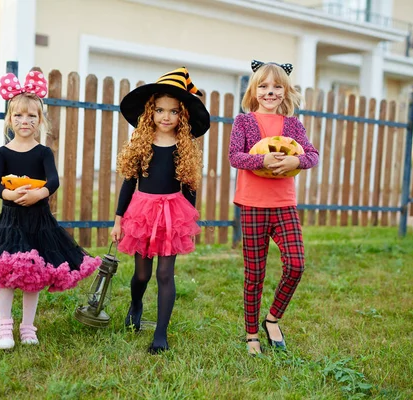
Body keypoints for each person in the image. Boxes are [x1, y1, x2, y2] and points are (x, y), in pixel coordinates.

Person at [0, 70, 101, 350]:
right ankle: (4, 324)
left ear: (40, 120)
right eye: (19, 116)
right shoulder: (3, 152)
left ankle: (28, 326)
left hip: (39, 222)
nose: (25, 121)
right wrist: (9, 193)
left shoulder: (43, 152)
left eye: (32, 116)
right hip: (10, 222)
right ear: (10, 119)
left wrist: (39, 193)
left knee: (34, 276)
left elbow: (54, 180)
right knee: (6, 274)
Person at [110, 67, 210, 354]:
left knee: (165, 273)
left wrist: (187, 222)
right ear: (149, 113)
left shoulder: (183, 146)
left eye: (174, 111)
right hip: (142, 211)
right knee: (142, 274)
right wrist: (118, 221)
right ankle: (136, 303)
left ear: (183, 116)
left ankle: (160, 334)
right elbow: (129, 183)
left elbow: (190, 186)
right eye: (160, 110)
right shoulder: (141, 144)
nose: (166, 116)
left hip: (172, 213)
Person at [229, 60, 319, 355]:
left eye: (277, 86)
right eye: (264, 86)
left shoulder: (294, 124)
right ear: (254, 91)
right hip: (253, 205)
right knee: (254, 274)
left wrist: (297, 161)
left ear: (286, 90)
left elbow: (312, 155)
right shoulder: (243, 122)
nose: (270, 92)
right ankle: (251, 333)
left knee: (296, 264)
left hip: (284, 206)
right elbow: (235, 157)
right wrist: (261, 161)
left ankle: (273, 319)